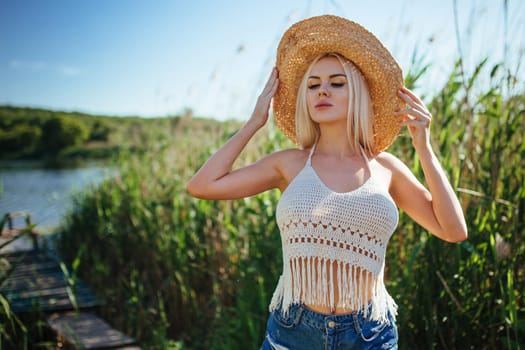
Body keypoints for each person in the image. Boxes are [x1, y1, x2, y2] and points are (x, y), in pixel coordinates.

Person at [187, 15, 467, 350]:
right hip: (293, 330)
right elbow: (202, 185)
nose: (322, 89)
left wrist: (425, 149)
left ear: (359, 93)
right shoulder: (288, 164)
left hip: (368, 334)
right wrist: (253, 123)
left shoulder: (386, 168)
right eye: (312, 84)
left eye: (336, 83)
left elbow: (453, 231)